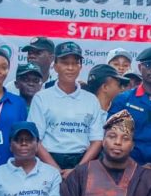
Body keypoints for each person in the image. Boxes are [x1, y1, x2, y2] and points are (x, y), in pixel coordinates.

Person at [28, 42, 104, 173]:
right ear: (55, 65)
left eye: (75, 63)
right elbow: (35, 139)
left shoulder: (91, 100)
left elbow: (97, 140)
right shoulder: (41, 98)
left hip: (82, 163)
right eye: (65, 63)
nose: (70, 68)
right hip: (48, 163)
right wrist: (56, 169)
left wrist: (77, 170)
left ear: (80, 67)